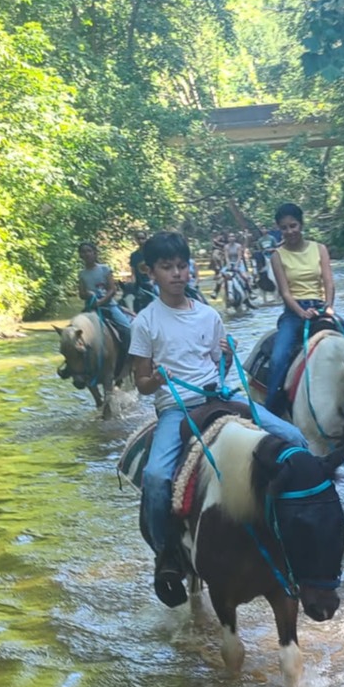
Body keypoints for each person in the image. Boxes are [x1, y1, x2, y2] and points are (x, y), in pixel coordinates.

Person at [127, 230, 311, 607]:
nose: (177, 274)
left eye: (182, 266)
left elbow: (219, 368)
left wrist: (227, 356)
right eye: (167, 268)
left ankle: (300, 530)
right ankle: (167, 555)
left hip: (220, 397)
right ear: (152, 273)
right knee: (157, 477)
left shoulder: (209, 315)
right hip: (176, 408)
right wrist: (156, 379)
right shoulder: (145, 322)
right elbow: (142, 383)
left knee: (295, 439)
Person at [262, 203, 337, 411]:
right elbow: (285, 292)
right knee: (278, 358)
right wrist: (301, 312)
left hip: (322, 308)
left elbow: (329, 282)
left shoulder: (319, 249)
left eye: (293, 225)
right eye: (284, 228)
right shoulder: (277, 255)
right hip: (294, 312)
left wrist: (329, 307)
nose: (289, 231)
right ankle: (271, 411)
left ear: (301, 224)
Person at [76, 241, 132, 342]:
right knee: (74, 328)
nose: (86, 254)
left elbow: (112, 289)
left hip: (109, 306)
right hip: (90, 307)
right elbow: (81, 294)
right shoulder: (82, 274)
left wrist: (101, 301)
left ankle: (129, 356)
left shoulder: (104, 269)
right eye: (83, 252)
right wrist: (87, 294)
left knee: (127, 328)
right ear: (80, 255)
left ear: (95, 253)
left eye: (89, 251)